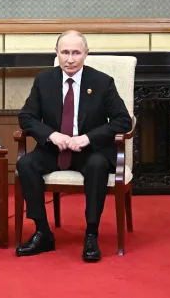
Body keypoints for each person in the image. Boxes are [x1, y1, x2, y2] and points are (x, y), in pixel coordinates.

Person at [16, 31, 131, 262]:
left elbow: (123, 121)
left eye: (76, 53)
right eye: (65, 52)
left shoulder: (102, 82)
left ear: (86, 54)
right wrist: (51, 135)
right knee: (25, 164)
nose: (70, 59)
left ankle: (91, 234)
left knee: (98, 166)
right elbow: (26, 117)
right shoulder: (44, 80)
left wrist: (88, 138)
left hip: (88, 151)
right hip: (53, 149)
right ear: (56, 53)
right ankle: (42, 232)